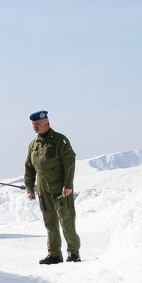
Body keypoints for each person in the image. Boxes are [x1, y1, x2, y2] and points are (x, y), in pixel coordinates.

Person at [25, 110, 81, 264]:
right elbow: (29, 168)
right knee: (50, 223)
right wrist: (30, 188)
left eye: (37, 124)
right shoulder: (33, 145)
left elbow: (70, 162)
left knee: (66, 221)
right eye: (33, 124)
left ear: (46, 123)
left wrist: (68, 184)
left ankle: (74, 253)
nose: (34, 127)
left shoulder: (59, 140)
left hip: (61, 189)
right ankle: (54, 254)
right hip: (43, 190)